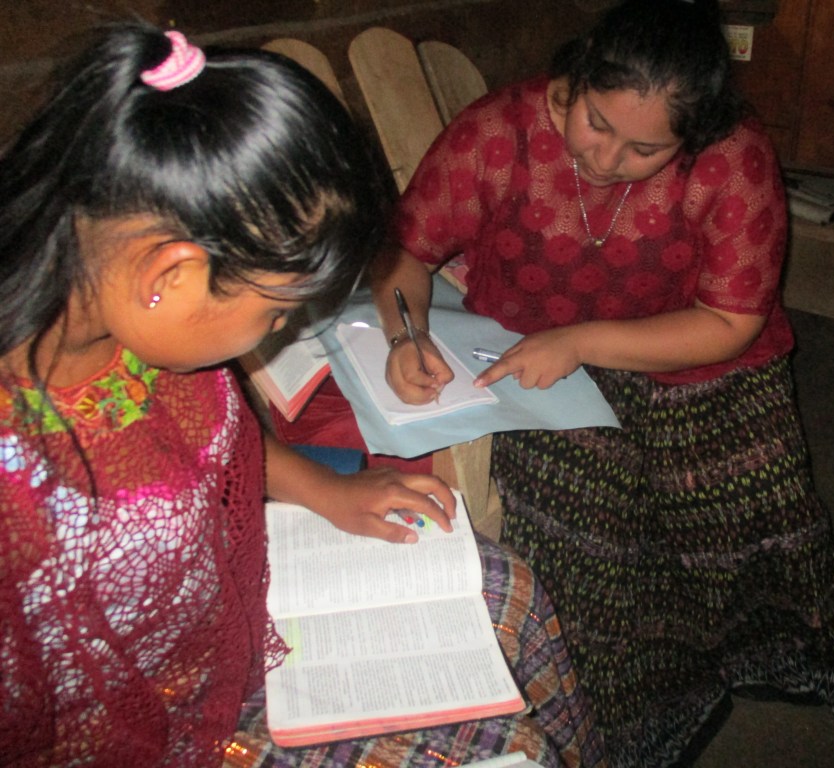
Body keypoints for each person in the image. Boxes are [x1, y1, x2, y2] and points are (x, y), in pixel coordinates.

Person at [0, 24, 604, 768]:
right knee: (506, 748)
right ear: (170, 277)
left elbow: (215, 443)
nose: (282, 330)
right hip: (132, 732)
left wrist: (323, 488)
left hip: (227, 617)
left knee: (504, 588)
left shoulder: (131, 321)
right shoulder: (16, 483)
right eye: (277, 311)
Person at [372, 0, 834, 764]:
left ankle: (761, 646)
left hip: (689, 352)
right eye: (596, 123)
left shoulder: (733, 157)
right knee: (584, 517)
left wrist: (584, 340)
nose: (606, 159)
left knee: (747, 485)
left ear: (695, 135)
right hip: (530, 353)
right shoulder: (499, 132)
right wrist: (405, 335)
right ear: (577, 78)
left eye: (645, 148)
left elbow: (731, 319)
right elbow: (406, 254)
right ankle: (640, 698)